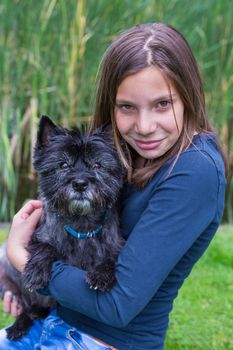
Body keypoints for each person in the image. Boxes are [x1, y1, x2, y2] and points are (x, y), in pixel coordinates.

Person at [0, 22, 227, 350]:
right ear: (110, 105)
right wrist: (13, 278)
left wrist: (22, 258)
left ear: (189, 96)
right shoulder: (121, 148)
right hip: (54, 322)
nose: (145, 127)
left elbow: (117, 304)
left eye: (163, 104)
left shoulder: (195, 171)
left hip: (101, 341)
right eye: (127, 107)